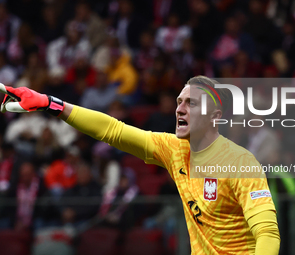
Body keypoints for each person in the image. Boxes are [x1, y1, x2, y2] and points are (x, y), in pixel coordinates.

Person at [0, 75, 280, 254]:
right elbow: (112, 130)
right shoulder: (174, 149)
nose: (179, 108)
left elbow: (267, 233)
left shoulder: (241, 162)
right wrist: (50, 103)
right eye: (179, 102)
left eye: (191, 103)